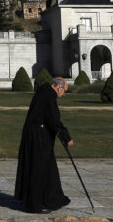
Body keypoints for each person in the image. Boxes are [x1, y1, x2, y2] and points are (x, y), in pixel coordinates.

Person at [14, 76, 73, 214]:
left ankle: (47, 199)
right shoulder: (49, 96)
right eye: (63, 91)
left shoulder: (44, 91)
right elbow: (53, 120)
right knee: (38, 171)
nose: (63, 95)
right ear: (58, 88)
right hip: (39, 138)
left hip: (35, 135)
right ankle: (35, 205)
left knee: (43, 169)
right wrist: (66, 137)